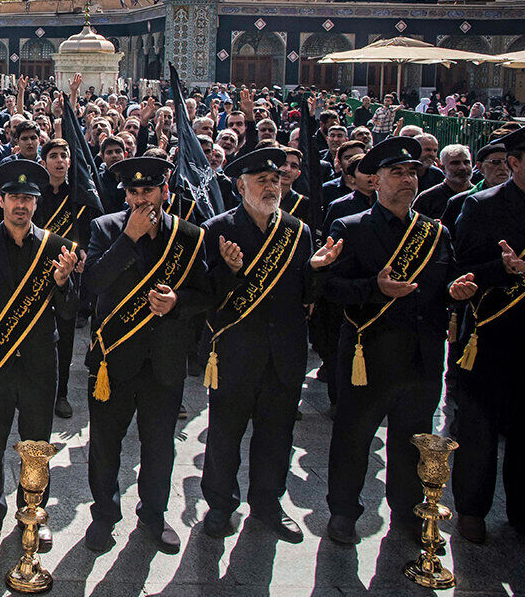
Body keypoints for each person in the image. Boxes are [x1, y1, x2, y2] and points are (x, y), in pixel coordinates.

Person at [322, 137, 477, 546]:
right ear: (375, 180)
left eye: (412, 172)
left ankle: (406, 512)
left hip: (421, 358)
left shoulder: (434, 231)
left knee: (412, 441)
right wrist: (375, 288)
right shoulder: (350, 228)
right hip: (368, 354)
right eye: (397, 173)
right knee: (354, 438)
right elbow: (330, 288)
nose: (408, 179)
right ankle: (342, 511)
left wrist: (458, 291)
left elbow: (447, 282)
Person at [200, 147, 341, 542]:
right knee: (225, 433)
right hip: (235, 353)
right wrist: (229, 271)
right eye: (261, 180)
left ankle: (267, 503)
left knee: (277, 434)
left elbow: (306, 296)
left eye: (275, 180)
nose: (271, 186)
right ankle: (219, 505)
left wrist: (316, 270)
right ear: (241, 185)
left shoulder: (298, 231)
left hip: (284, 352)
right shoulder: (217, 230)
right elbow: (207, 296)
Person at [82, 156, 210, 554]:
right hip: (114, 359)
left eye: (148, 191)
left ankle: (153, 516)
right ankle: (104, 515)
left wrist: (177, 303)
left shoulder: (188, 235)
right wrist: (129, 239)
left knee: (159, 445)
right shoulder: (106, 228)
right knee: (105, 444)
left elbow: (206, 294)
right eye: (133, 192)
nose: (140, 199)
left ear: (164, 192)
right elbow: (92, 282)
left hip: (164, 361)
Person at [0, 160, 78, 551]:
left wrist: (63, 284)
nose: (20, 205)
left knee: (37, 445)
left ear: (36, 204)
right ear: (1, 200)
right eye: (14, 198)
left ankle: (35, 513)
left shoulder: (57, 247)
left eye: (28, 198)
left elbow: (71, 311)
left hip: (41, 365)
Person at [449, 127, 525, 543]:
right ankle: (472, 510)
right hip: (489, 334)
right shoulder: (481, 205)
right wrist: (504, 270)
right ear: (514, 164)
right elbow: (462, 264)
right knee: (478, 430)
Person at [36, 137, 93, 419]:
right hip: (36, 274)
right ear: (44, 161)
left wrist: (84, 254)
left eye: (64, 156)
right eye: (54, 156)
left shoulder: (80, 195)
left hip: (68, 274)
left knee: (66, 334)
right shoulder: (35, 193)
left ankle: (62, 393)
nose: (59, 161)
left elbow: (90, 233)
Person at [414, 144, 473, 219]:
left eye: (466, 162)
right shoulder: (427, 199)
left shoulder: (480, 195)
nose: (462, 168)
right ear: (442, 168)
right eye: (455, 163)